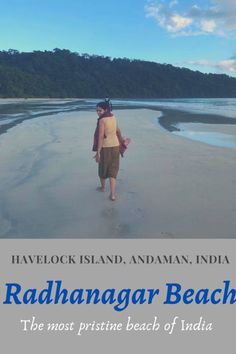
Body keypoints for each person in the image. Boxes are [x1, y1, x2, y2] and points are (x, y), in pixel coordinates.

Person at [93, 99, 123, 201]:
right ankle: (113, 195)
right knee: (113, 170)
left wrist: (98, 152)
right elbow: (118, 130)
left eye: (100, 111)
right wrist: (122, 141)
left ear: (105, 110)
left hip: (105, 148)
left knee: (102, 168)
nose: (98, 113)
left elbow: (101, 136)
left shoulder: (102, 120)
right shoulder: (113, 117)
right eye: (97, 110)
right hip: (115, 146)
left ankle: (103, 187)